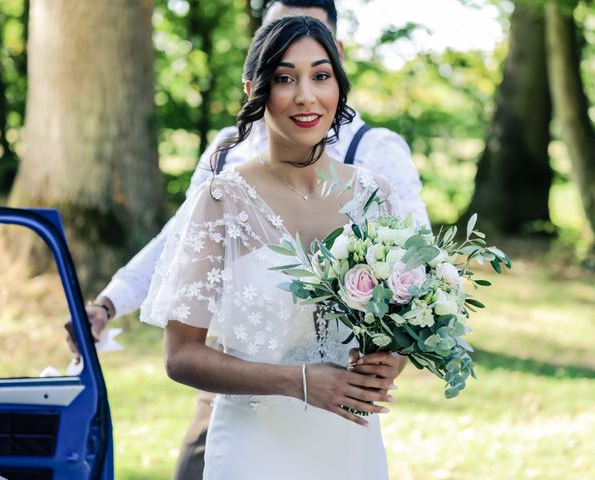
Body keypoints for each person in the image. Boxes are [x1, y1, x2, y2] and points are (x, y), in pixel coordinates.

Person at [66, 1, 428, 477]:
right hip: (252, 439)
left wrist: (392, 360)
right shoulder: (222, 191)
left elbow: (416, 283)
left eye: (320, 75)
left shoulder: (372, 188)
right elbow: (176, 287)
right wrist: (110, 302)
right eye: (283, 77)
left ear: (339, 75)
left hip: (348, 440)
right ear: (254, 86)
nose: (305, 96)